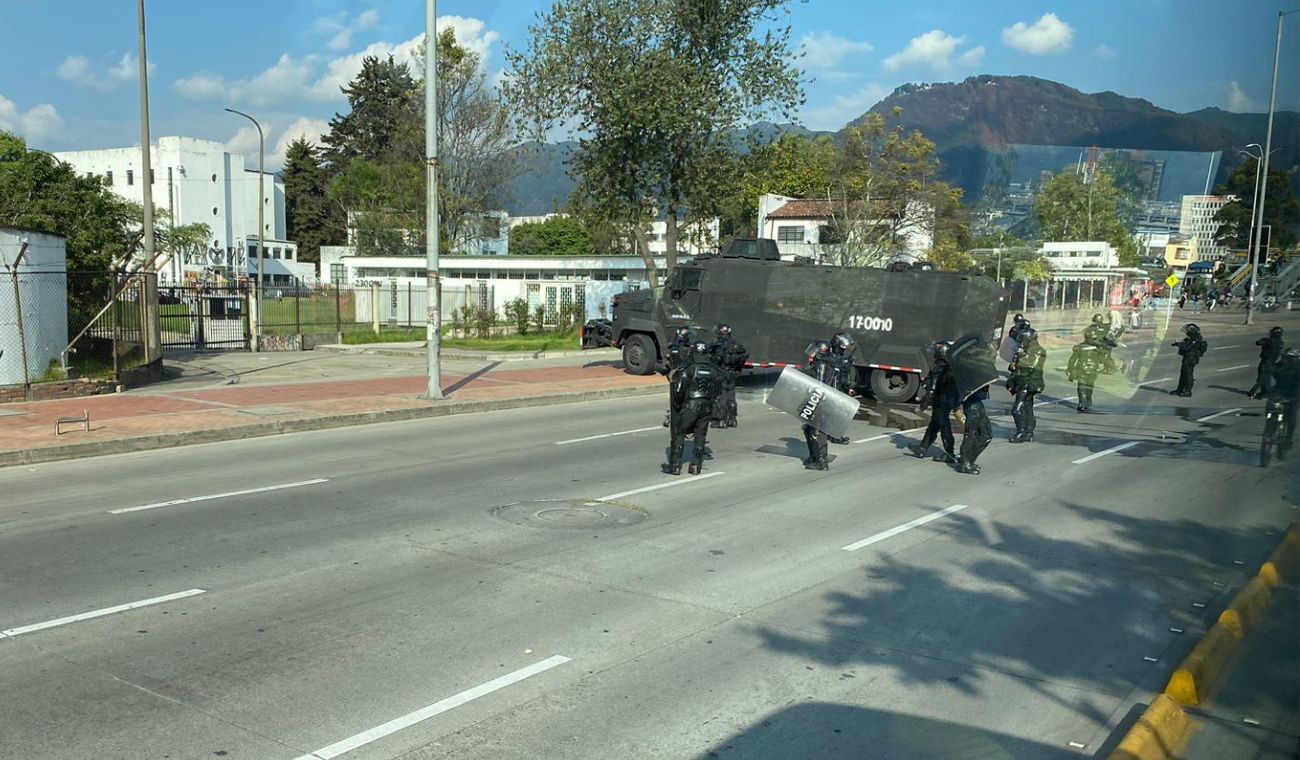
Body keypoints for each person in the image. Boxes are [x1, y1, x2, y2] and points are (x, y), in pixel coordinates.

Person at [663, 340, 722, 476]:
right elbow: (718, 391)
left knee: (679, 433)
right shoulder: (714, 370)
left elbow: (678, 390)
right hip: (706, 407)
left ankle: (675, 466)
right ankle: (696, 466)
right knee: (700, 436)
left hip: (690, 405)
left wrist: (677, 407)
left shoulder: (689, 368)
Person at [801, 338, 854, 470]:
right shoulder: (825, 362)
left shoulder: (822, 365)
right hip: (822, 400)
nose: (811, 354)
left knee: (816, 430)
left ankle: (820, 461)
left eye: (814, 351)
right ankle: (813, 457)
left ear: (820, 351)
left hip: (820, 401)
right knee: (808, 429)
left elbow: (819, 385)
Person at [910, 341, 959, 462]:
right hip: (948, 400)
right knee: (934, 424)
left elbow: (933, 387)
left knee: (944, 426)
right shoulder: (951, 367)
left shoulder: (939, 368)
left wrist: (924, 403)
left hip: (942, 401)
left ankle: (949, 453)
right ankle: (922, 448)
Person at [1008, 327, 1046, 442]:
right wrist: (1014, 363)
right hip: (1021, 382)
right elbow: (1013, 367)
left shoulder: (1039, 351)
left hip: (1030, 383)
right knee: (1027, 408)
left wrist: (1020, 357)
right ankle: (1028, 433)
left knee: (1017, 409)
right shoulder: (1023, 350)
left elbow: (1031, 366)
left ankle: (1021, 432)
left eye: (1023, 339)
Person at [709, 323, 749, 428]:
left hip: (721, 372)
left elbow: (712, 358)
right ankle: (732, 419)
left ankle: (721, 419)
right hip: (733, 374)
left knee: (721, 397)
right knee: (731, 397)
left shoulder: (718, 345)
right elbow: (744, 356)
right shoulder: (736, 344)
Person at [1267, 347, 1300, 455]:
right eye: (1284, 358)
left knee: (1291, 415)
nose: (1285, 360)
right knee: (1271, 405)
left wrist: (1295, 396)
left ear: (1295, 359)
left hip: (1293, 393)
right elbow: (1273, 370)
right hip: (1279, 390)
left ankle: (1288, 438)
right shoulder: (1281, 364)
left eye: (1289, 358)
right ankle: (1269, 430)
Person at [662, 325, 694, 427]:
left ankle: (673, 416)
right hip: (684, 375)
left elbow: (668, 362)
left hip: (674, 375)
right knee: (685, 397)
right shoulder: (686, 348)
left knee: (674, 396)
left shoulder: (672, 347)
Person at [957, 385, 991, 474]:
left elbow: (983, 394)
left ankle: (968, 459)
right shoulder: (967, 378)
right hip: (971, 406)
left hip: (978, 405)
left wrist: (984, 387)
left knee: (986, 436)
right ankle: (965, 462)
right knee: (970, 435)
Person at [1067, 339, 1105, 412]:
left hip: (1083, 369)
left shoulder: (1080, 347)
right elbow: (1101, 360)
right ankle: (1084, 402)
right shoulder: (1097, 347)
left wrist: (1069, 368)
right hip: (1091, 369)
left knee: (1083, 387)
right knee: (1087, 386)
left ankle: (1083, 402)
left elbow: (1073, 359)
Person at [1247, 326, 1285, 399]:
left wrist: (1265, 341)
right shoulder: (1281, 343)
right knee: (1266, 378)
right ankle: (1265, 392)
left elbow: (1258, 343)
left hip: (1265, 363)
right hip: (1273, 363)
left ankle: (1252, 392)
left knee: (1261, 379)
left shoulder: (1270, 341)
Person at [1171, 323, 1208, 397]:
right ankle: (1180, 389)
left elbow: (1186, 348)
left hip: (1190, 359)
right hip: (1187, 358)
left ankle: (1188, 391)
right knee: (1183, 374)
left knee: (1188, 375)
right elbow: (1185, 345)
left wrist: (1178, 344)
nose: (1187, 333)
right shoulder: (1191, 339)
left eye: (1188, 331)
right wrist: (1177, 344)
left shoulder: (1195, 339)